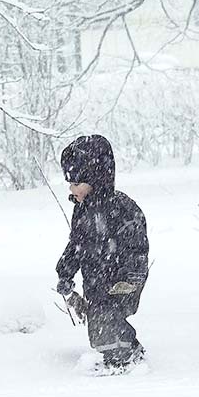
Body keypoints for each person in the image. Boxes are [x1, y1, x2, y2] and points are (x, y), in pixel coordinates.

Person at [56, 134, 149, 369]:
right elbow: (76, 245)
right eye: (70, 184)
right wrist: (65, 272)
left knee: (104, 322)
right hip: (96, 281)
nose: (71, 189)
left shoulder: (122, 209)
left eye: (76, 183)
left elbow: (137, 247)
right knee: (98, 326)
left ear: (95, 178)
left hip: (122, 281)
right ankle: (122, 352)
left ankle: (125, 357)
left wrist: (129, 277)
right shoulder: (82, 211)